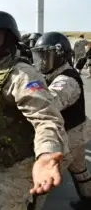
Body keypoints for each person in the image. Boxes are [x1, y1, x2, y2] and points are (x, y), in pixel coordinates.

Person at [0, 11, 70, 210]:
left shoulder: (22, 74)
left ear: (9, 39)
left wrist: (46, 154)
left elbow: (46, 118)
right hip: (0, 160)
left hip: (21, 164)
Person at [32, 32, 91, 210]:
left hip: (69, 139)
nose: (42, 61)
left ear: (60, 55)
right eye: (40, 56)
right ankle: (88, 201)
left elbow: (47, 105)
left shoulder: (65, 80)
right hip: (78, 133)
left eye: (46, 56)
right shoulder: (56, 74)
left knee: (42, 180)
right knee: (80, 170)